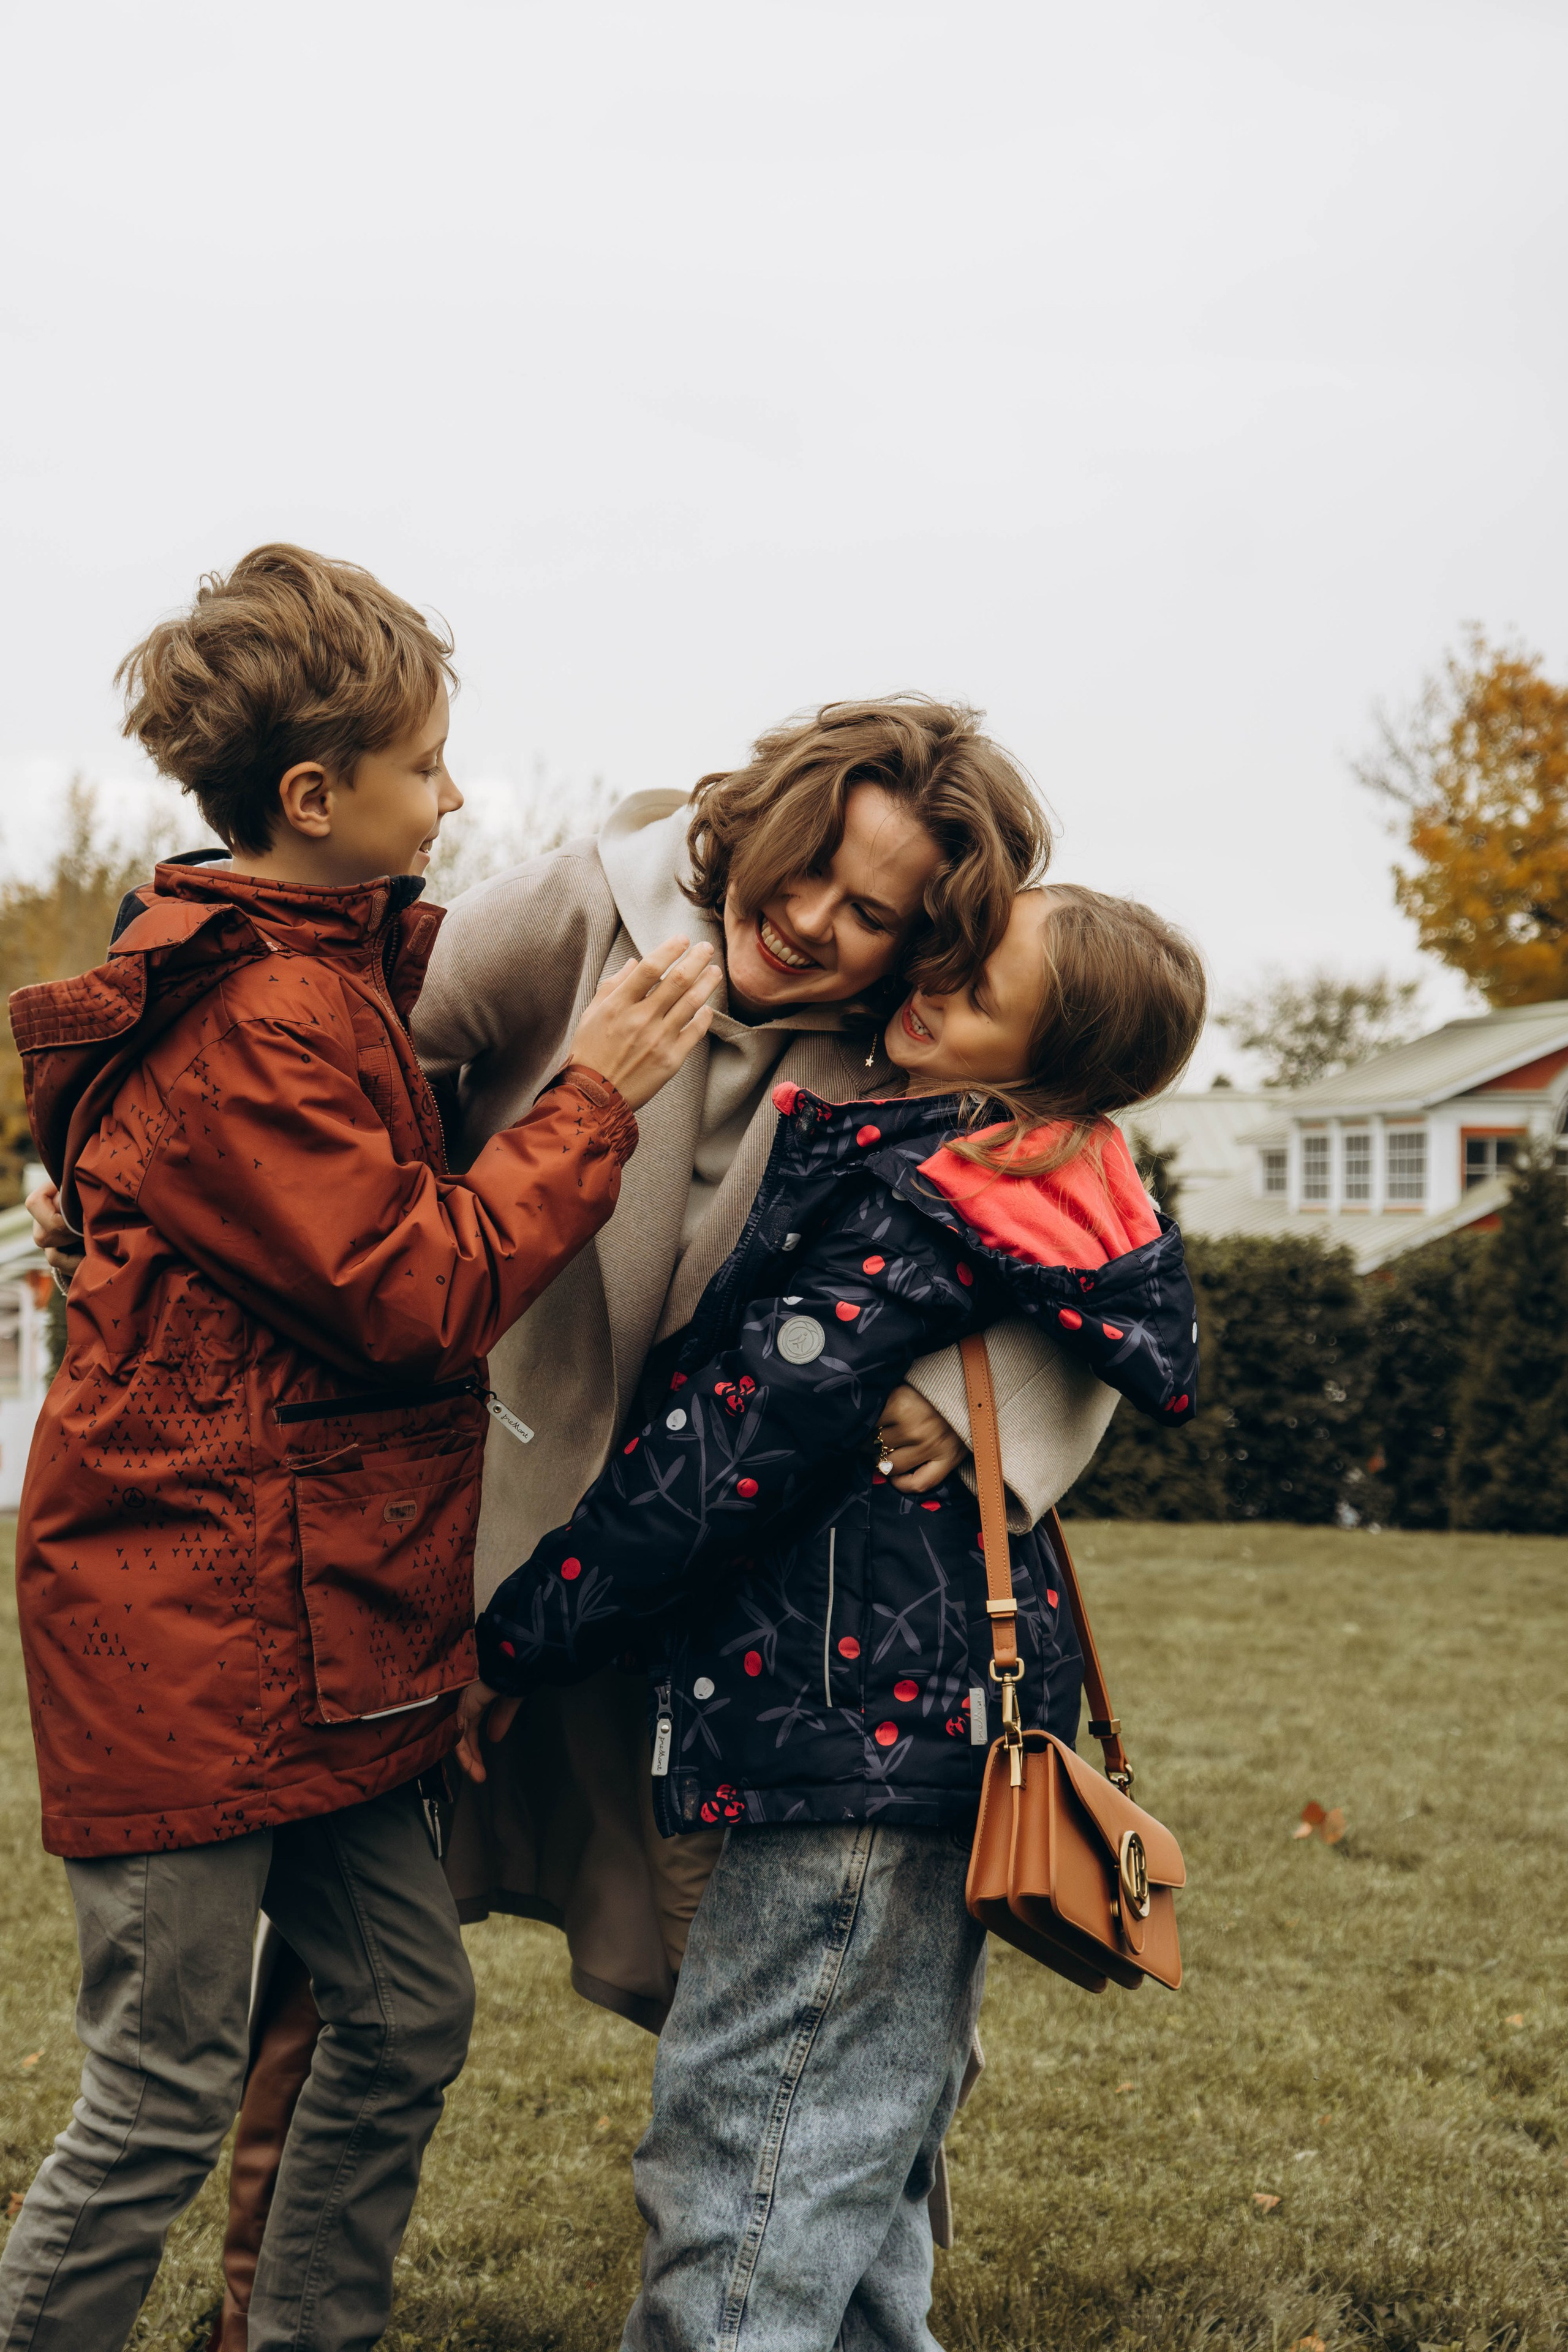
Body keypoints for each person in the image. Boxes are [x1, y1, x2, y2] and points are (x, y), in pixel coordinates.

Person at [204, 695, 1129, 2332]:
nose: (816, 924)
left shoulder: (911, 1041)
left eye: (874, 916)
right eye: (808, 869)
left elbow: (1086, 1227)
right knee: (353, 1968)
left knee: (789, 2002)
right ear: (757, 820)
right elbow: (316, 1087)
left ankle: (826, 2291)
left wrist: (982, 1397)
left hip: (707, 1594)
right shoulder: (579, 910)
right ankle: (267, 2312)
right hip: (459, 1536)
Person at [0, 543, 717, 2352]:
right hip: (185, 1638)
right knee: (158, 2091)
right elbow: (415, 1293)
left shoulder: (336, 970)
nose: (455, 797)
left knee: (402, 2013)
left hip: (322, 1645)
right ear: (315, 799)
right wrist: (597, 1099)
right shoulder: (253, 1016)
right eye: (427, 767)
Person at [464, 882, 1207, 2352]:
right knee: (860, 2152)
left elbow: (726, 1455)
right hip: (909, 1723)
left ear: (1044, 1068)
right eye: (954, 950)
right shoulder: (1028, 1186)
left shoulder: (923, 1201)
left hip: (848, 1732)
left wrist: (515, 1638)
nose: (931, 982)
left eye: (977, 990)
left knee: (747, 2150)